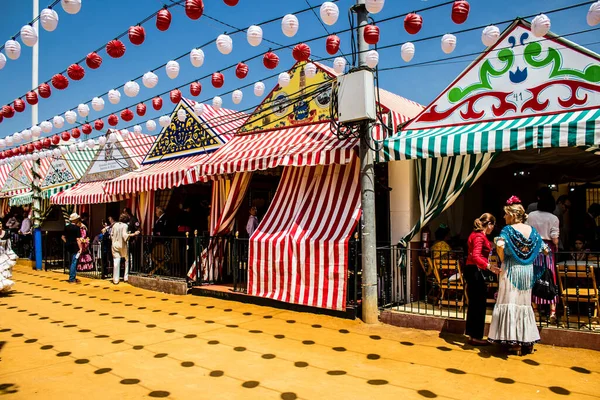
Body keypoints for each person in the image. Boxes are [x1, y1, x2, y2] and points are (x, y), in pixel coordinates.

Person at [488, 196, 546, 356]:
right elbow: (544, 248)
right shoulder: (532, 231)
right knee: (524, 303)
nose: (504, 217)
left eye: (506, 214)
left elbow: (500, 245)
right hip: (527, 271)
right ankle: (526, 340)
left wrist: (502, 258)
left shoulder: (507, 231)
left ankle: (513, 342)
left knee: (510, 301)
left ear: (512, 215)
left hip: (511, 269)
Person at [464, 213, 498, 346]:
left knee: (474, 303)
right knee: (479, 304)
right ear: (489, 224)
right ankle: (476, 336)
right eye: (492, 226)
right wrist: (489, 266)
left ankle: (472, 335)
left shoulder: (475, 235)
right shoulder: (479, 236)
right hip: (476, 271)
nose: (492, 229)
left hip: (471, 270)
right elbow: (476, 256)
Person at [527, 194, 560, 322]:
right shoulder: (554, 218)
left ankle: (535, 310)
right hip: (548, 249)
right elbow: (555, 239)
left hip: (533, 248)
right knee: (550, 278)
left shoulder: (531, 216)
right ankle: (552, 311)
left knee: (533, 278)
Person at [111, 213, 139, 285]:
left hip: (114, 245)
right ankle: (126, 277)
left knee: (116, 262)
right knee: (127, 260)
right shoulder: (125, 226)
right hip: (122, 245)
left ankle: (115, 279)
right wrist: (134, 234)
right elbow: (125, 236)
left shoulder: (115, 225)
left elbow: (111, 235)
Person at [62, 214, 82, 283]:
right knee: (74, 262)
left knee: (71, 261)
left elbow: (63, 237)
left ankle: (72, 276)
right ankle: (72, 278)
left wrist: (67, 242)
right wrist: (80, 248)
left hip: (68, 246)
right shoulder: (77, 228)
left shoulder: (66, 227)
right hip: (75, 246)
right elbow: (78, 239)